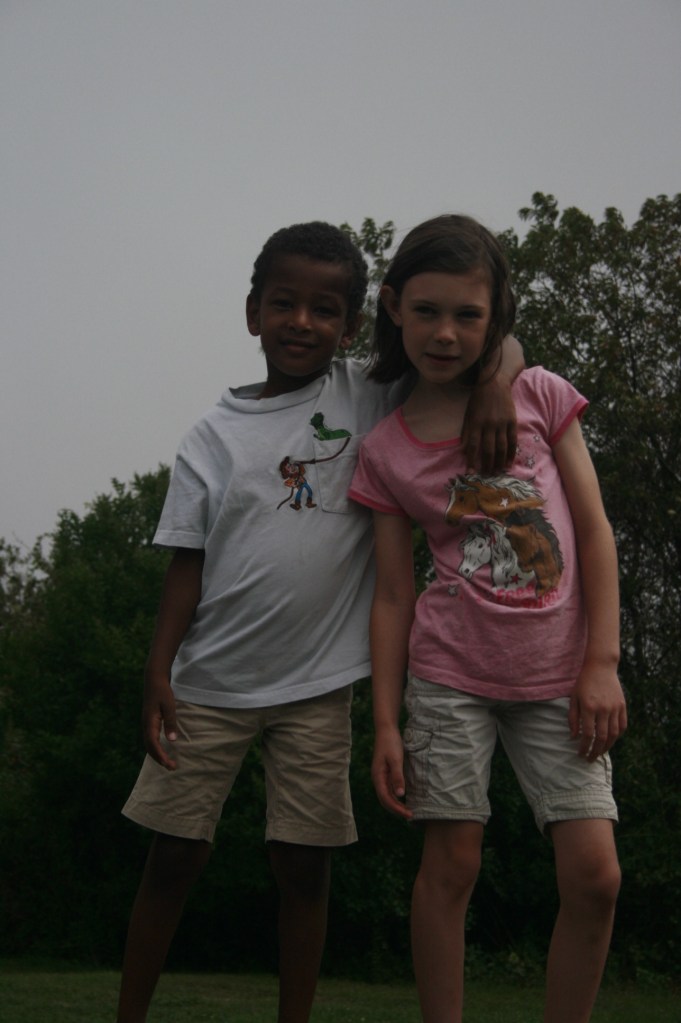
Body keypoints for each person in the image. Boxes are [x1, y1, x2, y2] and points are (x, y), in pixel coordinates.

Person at [116, 220, 524, 1023]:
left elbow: (500, 344)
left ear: (351, 323)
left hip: (317, 685)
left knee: (303, 866)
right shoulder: (210, 437)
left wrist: (495, 386)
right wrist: (158, 669)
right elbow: (185, 563)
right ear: (252, 312)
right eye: (283, 303)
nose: (301, 321)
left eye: (323, 309)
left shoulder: (367, 393)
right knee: (174, 855)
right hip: (208, 682)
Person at [348, 214, 627, 1023]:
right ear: (393, 307)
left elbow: (595, 530)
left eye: (466, 315)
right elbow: (392, 594)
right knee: (452, 866)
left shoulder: (537, 394)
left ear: (494, 315)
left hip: (561, 676)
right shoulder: (384, 449)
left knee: (595, 876)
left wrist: (601, 661)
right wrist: (386, 723)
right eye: (425, 311)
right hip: (449, 677)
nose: (445, 332)